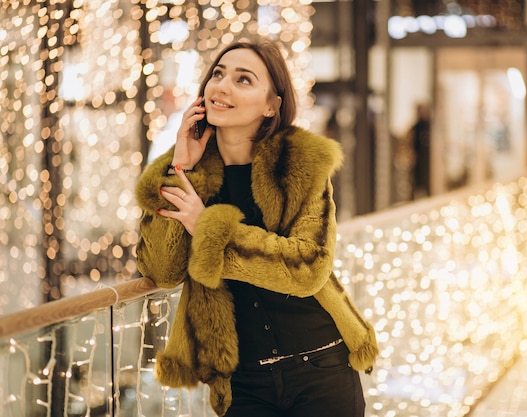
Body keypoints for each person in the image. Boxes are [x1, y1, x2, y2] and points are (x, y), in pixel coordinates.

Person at [134, 37, 379, 417]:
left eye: (243, 79)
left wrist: (210, 231)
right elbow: (163, 270)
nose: (222, 86)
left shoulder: (301, 163)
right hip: (243, 383)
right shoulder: (186, 169)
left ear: (271, 105)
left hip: (321, 369)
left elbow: (309, 267)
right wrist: (182, 165)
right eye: (218, 74)